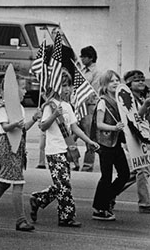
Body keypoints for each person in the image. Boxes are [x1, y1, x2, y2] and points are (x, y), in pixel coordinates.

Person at [29, 70, 99, 227]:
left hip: (66, 150)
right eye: (63, 85)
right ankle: (66, 217)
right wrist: (54, 115)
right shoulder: (50, 105)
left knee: (62, 184)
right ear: (55, 87)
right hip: (54, 151)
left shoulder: (68, 106)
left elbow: (75, 128)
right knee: (65, 185)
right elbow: (42, 126)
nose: (67, 89)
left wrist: (89, 141)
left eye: (69, 86)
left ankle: (38, 199)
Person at [0, 74, 40, 231]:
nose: (25, 91)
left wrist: (33, 118)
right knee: (18, 182)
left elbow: (23, 128)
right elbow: (5, 127)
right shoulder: (3, 107)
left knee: (5, 183)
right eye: (23, 87)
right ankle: (21, 220)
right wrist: (14, 124)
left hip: (17, 146)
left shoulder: (20, 107)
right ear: (13, 89)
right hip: (7, 146)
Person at [90, 70, 131, 221]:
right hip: (105, 143)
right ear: (105, 85)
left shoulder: (119, 101)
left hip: (116, 143)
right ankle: (100, 209)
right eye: (111, 81)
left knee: (125, 174)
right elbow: (99, 124)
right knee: (106, 177)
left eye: (117, 80)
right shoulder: (103, 102)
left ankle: (104, 201)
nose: (115, 83)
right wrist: (114, 128)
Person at [120, 70, 150, 214]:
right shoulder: (126, 99)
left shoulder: (143, 97)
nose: (141, 82)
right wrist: (146, 106)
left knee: (136, 171)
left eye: (142, 80)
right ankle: (145, 204)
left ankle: (109, 194)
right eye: (137, 80)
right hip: (132, 138)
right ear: (129, 84)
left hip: (143, 137)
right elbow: (134, 119)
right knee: (142, 168)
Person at [79, 46, 101, 172]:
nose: (82, 59)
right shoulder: (82, 70)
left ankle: (88, 165)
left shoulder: (96, 72)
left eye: (84, 56)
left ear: (90, 58)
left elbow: (93, 91)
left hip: (89, 107)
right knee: (72, 134)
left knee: (89, 136)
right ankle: (73, 161)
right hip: (79, 106)